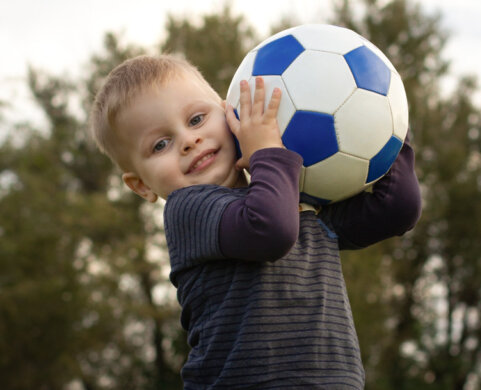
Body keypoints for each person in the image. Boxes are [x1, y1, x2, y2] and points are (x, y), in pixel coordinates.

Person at [90, 54, 421, 389]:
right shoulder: (187, 211)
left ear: (229, 109)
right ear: (141, 185)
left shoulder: (297, 199)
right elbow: (271, 231)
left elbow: (397, 209)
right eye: (160, 144)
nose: (189, 141)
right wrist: (267, 151)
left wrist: (384, 117)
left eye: (196, 119)